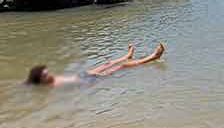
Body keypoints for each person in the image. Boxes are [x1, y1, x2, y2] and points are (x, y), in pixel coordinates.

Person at [26, 43, 165, 87]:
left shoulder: (51, 81)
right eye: (45, 75)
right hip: (88, 80)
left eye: (47, 71)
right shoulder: (52, 86)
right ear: (42, 81)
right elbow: (75, 87)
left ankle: (127, 55)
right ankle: (153, 57)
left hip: (84, 74)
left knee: (108, 63)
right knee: (123, 66)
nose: (49, 73)